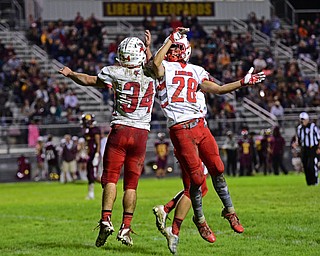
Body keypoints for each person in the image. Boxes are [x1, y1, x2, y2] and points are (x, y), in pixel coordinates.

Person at [150, 27, 265, 254]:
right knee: (196, 179)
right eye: (171, 47)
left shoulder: (196, 70)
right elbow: (155, 64)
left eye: (177, 47)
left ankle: (229, 211)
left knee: (218, 169)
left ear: (186, 50)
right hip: (180, 129)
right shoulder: (163, 67)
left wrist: (243, 82)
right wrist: (169, 40)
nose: (174, 50)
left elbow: (219, 88)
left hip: (200, 126)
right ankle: (200, 221)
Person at [59, 31, 157, 247]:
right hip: (141, 134)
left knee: (111, 178)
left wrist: (71, 73)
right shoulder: (154, 74)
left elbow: (88, 80)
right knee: (131, 185)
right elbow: (153, 66)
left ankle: (105, 219)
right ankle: (126, 228)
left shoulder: (114, 72)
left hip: (120, 130)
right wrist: (149, 47)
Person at [81, 113, 101, 199]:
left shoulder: (95, 130)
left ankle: (108, 186)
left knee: (95, 175)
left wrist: (97, 154)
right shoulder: (87, 131)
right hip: (90, 155)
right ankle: (90, 193)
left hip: (94, 154)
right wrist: (84, 151)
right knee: (89, 174)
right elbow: (87, 143)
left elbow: (98, 143)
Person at [296, 112, 320, 185]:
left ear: (307, 119)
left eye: (303, 119)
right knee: (305, 165)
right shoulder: (299, 128)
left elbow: (319, 138)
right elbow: (299, 139)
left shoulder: (313, 127)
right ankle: (309, 182)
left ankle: (314, 180)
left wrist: (318, 147)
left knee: (311, 165)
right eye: (301, 119)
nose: (302, 121)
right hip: (304, 149)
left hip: (312, 148)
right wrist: (298, 146)